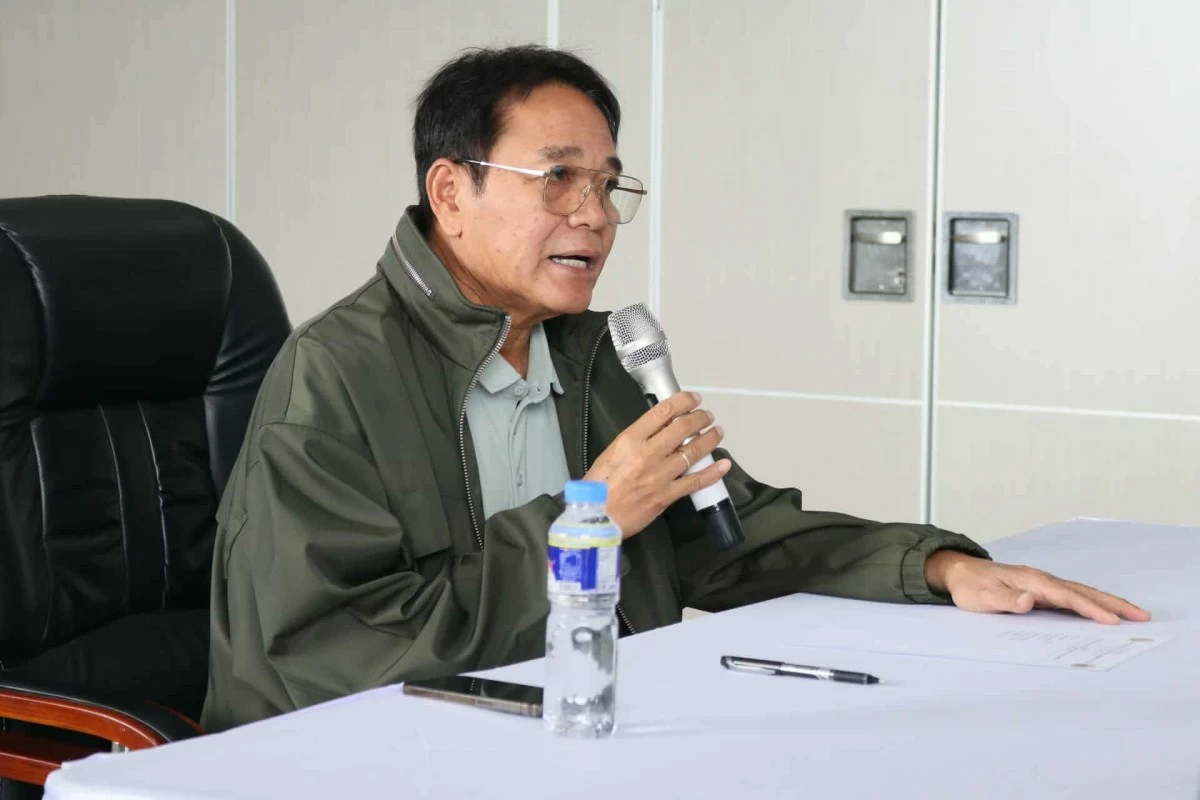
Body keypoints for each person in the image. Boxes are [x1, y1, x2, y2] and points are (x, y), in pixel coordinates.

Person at [200, 45, 1147, 732]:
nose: (596, 216)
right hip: (383, 752)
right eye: (558, 178)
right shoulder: (333, 376)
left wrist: (938, 568)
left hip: (590, 728)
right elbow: (323, 655)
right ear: (451, 192)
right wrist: (590, 522)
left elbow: (724, 538)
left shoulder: (593, 356)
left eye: (610, 185)